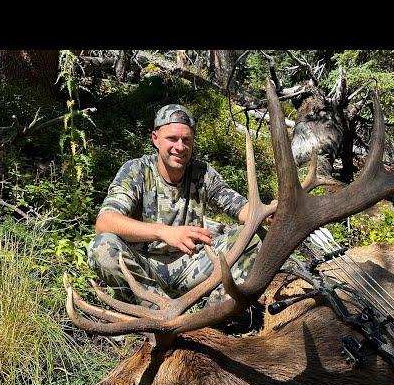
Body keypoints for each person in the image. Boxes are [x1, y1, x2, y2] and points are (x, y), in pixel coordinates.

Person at [88, 104, 273, 307]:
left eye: (186, 140)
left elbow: (239, 207)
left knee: (255, 236)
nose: (180, 147)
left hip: (192, 266)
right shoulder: (137, 171)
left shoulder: (202, 173)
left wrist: (268, 213)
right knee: (102, 247)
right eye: (172, 139)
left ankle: (215, 312)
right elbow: (105, 222)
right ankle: (157, 310)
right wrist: (164, 232)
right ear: (155, 139)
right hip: (145, 268)